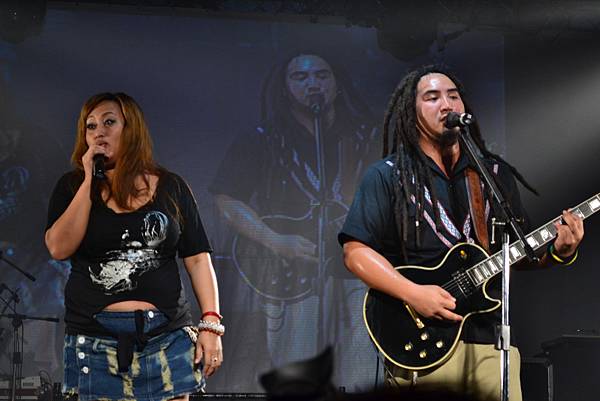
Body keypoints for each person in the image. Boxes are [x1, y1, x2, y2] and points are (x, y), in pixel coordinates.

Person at [339, 65, 584, 401]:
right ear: (411, 113)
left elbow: (519, 253)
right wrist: (413, 293)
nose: (447, 104)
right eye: (432, 97)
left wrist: (560, 252)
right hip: (424, 346)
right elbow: (355, 252)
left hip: (492, 343)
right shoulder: (388, 175)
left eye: (453, 96)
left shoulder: (493, 174)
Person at [209, 53, 378, 388]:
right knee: (299, 377)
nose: (313, 84)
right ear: (284, 88)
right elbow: (226, 199)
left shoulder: (362, 136)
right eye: (300, 77)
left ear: (337, 84)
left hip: (355, 274)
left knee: (359, 375)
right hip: (293, 278)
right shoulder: (263, 137)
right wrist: (275, 241)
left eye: (322, 75)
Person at [45, 92, 223, 401]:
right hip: (96, 337)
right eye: (90, 126)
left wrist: (211, 324)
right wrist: (88, 180)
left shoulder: (171, 186)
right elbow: (58, 248)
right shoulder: (72, 187)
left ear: (132, 129)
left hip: (166, 334)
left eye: (109, 122)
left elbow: (197, 259)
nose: (98, 132)